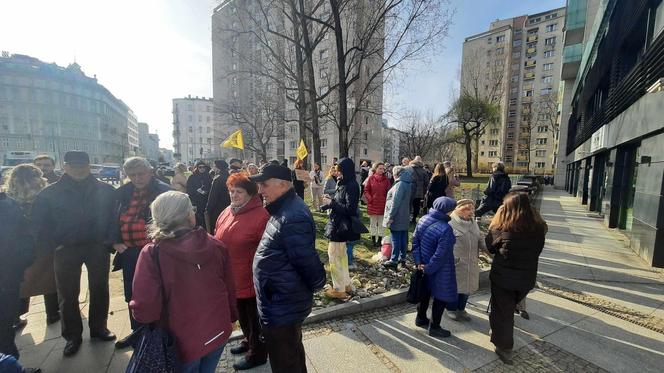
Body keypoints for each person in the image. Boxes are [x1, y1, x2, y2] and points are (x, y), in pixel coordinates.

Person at [130, 191, 237, 372]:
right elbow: (229, 287)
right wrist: (232, 317)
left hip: (179, 341)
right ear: (189, 215)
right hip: (218, 330)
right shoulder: (215, 244)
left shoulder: (153, 253)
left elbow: (145, 309)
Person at [31, 151, 117, 356]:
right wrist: (52, 246)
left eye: (83, 166)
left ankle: (98, 328)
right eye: (74, 166)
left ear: (89, 166)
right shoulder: (49, 193)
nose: (79, 170)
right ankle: (72, 336)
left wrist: (109, 242)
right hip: (65, 248)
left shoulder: (105, 190)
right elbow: (39, 225)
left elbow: (115, 217)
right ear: (65, 166)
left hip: (97, 246)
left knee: (99, 288)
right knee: (67, 293)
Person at [249, 164, 326, 373]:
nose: (260, 190)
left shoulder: (293, 216)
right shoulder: (283, 208)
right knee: (289, 355)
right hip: (278, 300)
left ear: (283, 185)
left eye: (264, 184)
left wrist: (318, 283)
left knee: (286, 362)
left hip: (282, 303)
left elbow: (306, 261)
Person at [111, 157, 171, 349]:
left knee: (157, 292)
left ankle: (159, 332)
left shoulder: (163, 190)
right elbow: (110, 217)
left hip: (155, 252)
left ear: (150, 171)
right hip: (129, 252)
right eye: (132, 175)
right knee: (132, 294)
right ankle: (137, 333)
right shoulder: (122, 193)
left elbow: (172, 219)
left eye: (141, 173)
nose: (137, 178)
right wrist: (115, 241)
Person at [214, 174, 269, 370]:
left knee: (253, 319)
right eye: (231, 191)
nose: (234, 195)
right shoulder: (228, 211)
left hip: (250, 278)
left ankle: (258, 354)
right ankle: (248, 341)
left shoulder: (261, 215)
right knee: (242, 316)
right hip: (231, 277)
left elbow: (267, 250)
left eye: (239, 192)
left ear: (250, 194)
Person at [485, 192, 547, 364]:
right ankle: (499, 332)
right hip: (526, 279)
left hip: (503, 279)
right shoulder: (539, 227)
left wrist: (495, 221)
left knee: (502, 312)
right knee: (507, 309)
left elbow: (490, 246)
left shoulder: (501, 228)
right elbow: (538, 251)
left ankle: (504, 347)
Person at [6, 165, 59, 331]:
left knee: (20, 280)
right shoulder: (45, 194)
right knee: (50, 278)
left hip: (18, 246)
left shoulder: (9, 196)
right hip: (45, 243)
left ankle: (16, 315)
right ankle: (53, 313)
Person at [0, 190, 40, 373]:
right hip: (8, 272)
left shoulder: (8, 203)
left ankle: (11, 365)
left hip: (8, 273)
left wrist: (24, 257)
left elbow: (24, 232)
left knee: (5, 322)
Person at [412, 196, 457, 339]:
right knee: (442, 296)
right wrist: (429, 268)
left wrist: (419, 263)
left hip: (423, 264)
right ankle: (435, 327)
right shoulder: (446, 229)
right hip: (440, 269)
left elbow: (415, 242)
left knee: (425, 292)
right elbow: (441, 255)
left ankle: (420, 318)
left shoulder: (423, 219)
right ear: (447, 211)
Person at [321, 158, 360, 299]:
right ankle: (346, 284)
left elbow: (350, 209)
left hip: (340, 227)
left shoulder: (351, 185)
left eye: (339, 170)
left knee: (335, 257)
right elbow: (339, 202)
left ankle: (339, 289)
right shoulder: (343, 183)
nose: (336, 173)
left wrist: (331, 202)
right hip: (337, 224)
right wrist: (327, 204)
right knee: (340, 256)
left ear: (345, 170)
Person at [447, 199, 485, 321]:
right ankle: (451, 309)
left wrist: (491, 252)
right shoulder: (450, 223)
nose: (471, 212)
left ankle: (461, 309)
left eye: (472, 209)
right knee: (455, 288)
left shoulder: (473, 223)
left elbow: (480, 239)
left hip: (471, 262)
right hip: (456, 262)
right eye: (467, 209)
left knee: (467, 288)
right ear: (458, 210)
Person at [382, 166, 413, 269]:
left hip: (397, 215)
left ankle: (394, 260)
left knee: (395, 237)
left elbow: (396, 201)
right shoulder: (408, 183)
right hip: (405, 213)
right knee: (403, 236)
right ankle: (402, 258)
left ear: (396, 174)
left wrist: (391, 216)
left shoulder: (400, 184)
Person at [363, 162, 391, 247]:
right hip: (373, 204)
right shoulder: (371, 178)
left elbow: (389, 191)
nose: (382, 170)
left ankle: (379, 240)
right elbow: (366, 190)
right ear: (376, 169)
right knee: (373, 223)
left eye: (383, 169)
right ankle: (373, 239)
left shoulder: (386, 180)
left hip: (382, 205)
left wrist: (387, 200)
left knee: (382, 224)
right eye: (380, 168)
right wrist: (370, 199)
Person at [205, 160, 231, 234]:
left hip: (218, 209)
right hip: (228, 208)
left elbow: (212, 197)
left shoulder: (217, 179)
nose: (213, 168)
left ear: (218, 168)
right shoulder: (229, 177)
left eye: (214, 166)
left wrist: (208, 209)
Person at [186, 160, 213, 228]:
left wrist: (206, 191)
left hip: (206, 200)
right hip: (196, 201)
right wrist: (197, 191)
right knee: (198, 218)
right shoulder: (192, 177)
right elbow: (189, 189)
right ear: (197, 168)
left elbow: (212, 187)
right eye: (200, 167)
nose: (202, 169)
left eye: (203, 167)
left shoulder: (208, 176)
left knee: (207, 219)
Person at [408, 156, 429, 224]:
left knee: (408, 204)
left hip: (409, 189)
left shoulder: (409, 169)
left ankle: (407, 218)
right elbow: (426, 182)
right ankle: (414, 218)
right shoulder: (423, 171)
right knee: (416, 205)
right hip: (419, 191)